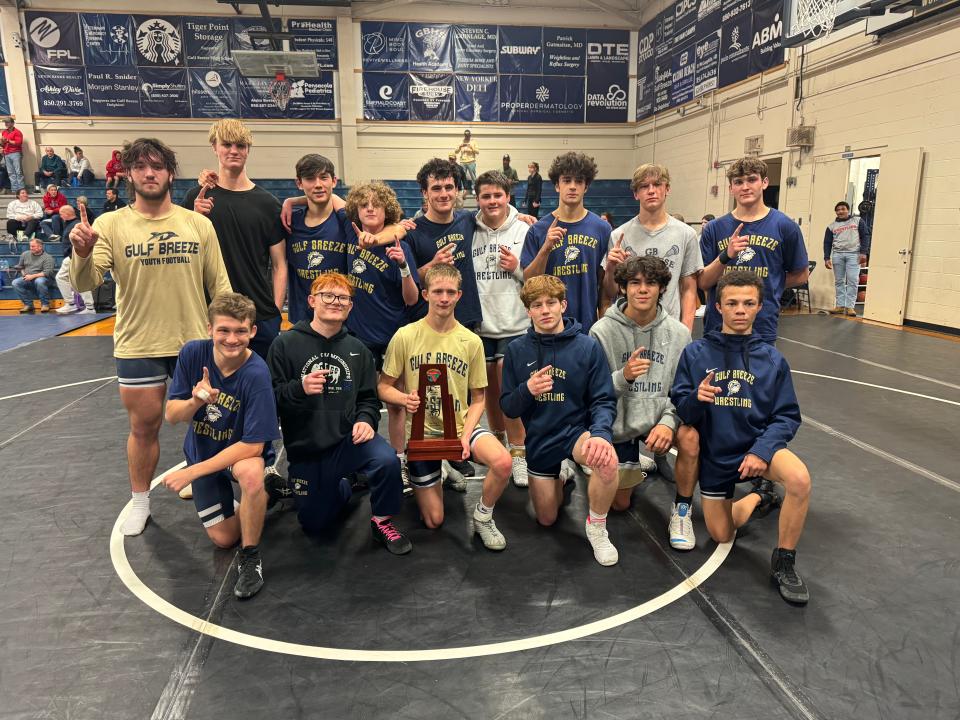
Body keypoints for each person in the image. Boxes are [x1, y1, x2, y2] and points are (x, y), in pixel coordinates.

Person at [69, 138, 232, 537]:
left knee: (211, 422)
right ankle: (140, 500)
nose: (149, 173)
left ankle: (211, 484)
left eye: (157, 166)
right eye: (140, 167)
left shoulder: (198, 224)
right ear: (128, 174)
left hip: (193, 342)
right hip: (138, 344)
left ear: (170, 173)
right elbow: (85, 281)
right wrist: (82, 253)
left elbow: (221, 286)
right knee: (144, 427)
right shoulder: (109, 225)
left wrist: (228, 334)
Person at [670, 270, 811, 604]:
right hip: (717, 458)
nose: (740, 310)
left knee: (800, 480)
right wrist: (696, 399)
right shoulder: (695, 354)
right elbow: (683, 414)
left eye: (748, 303)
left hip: (757, 450)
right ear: (718, 307)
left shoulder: (772, 359)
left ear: (759, 307)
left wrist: (762, 452)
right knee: (720, 533)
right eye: (732, 303)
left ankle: (785, 562)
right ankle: (761, 498)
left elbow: (787, 416)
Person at [267, 272, 412, 554]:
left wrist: (365, 420)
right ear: (311, 300)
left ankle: (381, 521)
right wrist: (300, 388)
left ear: (350, 306)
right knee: (314, 524)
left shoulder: (358, 350)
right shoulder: (284, 345)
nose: (335, 302)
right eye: (327, 296)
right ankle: (344, 484)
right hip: (307, 450)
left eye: (343, 298)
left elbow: (369, 400)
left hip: (348, 442)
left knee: (387, 461)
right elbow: (271, 400)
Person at [378, 265, 513, 550]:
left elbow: (478, 399)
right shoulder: (405, 335)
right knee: (434, 520)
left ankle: (483, 517)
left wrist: (465, 437)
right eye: (438, 291)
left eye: (450, 292)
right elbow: (383, 386)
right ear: (425, 294)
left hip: (461, 426)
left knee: (503, 462)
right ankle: (441, 467)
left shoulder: (471, 341)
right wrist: (404, 399)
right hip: (422, 434)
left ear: (459, 295)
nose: (444, 298)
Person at [163, 293, 280, 599]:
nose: (232, 339)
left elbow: (253, 446)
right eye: (224, 330)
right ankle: (259, 500)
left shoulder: (256, 373)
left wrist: (193, 473)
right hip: (205, 451)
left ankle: (251, 557)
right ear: (209, 329)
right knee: (224, 539)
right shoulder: (192, 354)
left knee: (252, 474)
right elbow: (172, 416)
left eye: (241, 331)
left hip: (238, 454)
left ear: (252, 332)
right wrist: (194, 401)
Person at [501, 275, 620, 566]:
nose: (545, 310)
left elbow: (603, 399)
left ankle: (597, 527)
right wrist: (526, 390)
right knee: (546, 518)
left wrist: (601, 434)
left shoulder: (587, 347)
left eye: (551, 303)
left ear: (562, 305)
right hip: (540, 438)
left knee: (606, 460)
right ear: (528, 311)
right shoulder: (517, 351)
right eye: (537, 305)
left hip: (576, 432)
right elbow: (508, 406)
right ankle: (563, 472)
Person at [590, 256, 698, 550]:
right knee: (620, 504)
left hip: (660, 414)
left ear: (662, 288)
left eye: (651, 283)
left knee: (690, 437)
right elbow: (595, 395)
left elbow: (683, 391)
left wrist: (668, 422)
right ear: (623, 287)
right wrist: (623, 377)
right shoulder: (602, 331)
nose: (642, 290)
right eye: (634, 283)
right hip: (621, 420)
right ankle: (634, 456)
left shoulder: (679, 334)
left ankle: (682, 510)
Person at [184, 120, 286, 361]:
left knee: (263, 389)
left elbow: (280, 265)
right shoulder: (197, 199)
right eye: (226, 144)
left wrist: (275, 312)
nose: (233, 151)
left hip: (259, 316)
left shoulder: (268, 204)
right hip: (210, 316)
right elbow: (184, 256)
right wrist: (193, 219)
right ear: (214, 147)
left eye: (240, 145)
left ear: (248, 149)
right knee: (214, 393)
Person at [342, 181, 419, 477]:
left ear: (387, 210)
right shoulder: (351, 234)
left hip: (391, 336)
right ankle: (361, 458)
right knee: (359, 402)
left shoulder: (400, 244)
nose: (370, 209)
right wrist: (289, 202)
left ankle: (398, 459)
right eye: (364, 205)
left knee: (396, 403)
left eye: (376, 204)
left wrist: (403, 267)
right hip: (358, 337)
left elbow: (411, 298)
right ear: (356, 211)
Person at [699, 157, 809, 344]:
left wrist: (769, 285)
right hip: (719, 325)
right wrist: (726, 255)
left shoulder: (785, 226)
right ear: (731, 188)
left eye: (752, 179)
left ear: (764, 182)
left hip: (762, 326)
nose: (745, 187)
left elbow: (802, 275)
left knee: (759, 374)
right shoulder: (714, 228)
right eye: (738, 182)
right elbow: (702, 281)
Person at [471, 171, 530, 487]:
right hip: (481, 325)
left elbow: (535, 276)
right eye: (486, 196)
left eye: (498, 195)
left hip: (514, 322)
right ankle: (499, 449)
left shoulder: (524, 229)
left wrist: (516, 268)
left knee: (511, 394)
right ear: (477, 198)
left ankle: (519, 453)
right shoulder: (469, 229)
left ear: (508, 196)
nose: (492, 201)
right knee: (489, 392)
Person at [603, 164, 702, 332]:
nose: (651, 191)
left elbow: (689, 289)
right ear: (636, 194)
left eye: (657, 184)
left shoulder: (686, 234)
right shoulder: (619, 235)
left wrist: (685, 331)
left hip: (670, 329)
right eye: (644, 186)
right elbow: (611, 292)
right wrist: (611, 269)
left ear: (667, 189)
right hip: (630, 328)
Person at [521, 152, 610, 333]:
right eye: (566, 180)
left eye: (579, 181)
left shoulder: (602, 229)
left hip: (588, 328)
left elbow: (605, 288)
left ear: (586, 187)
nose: (572, 187)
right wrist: (546, 248)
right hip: (547, 328)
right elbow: (528, 281)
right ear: (556, 185)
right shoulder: (538, 230)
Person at [824, 201, 871, 317]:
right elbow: (827, 243)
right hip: (837, 255)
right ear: (836, 212)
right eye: (838, 210)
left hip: (854, 255)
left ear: (848, 210)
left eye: (843, 209)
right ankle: (840, 305)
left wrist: (864, 253)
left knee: (853, 280)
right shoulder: (831, 226)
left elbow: (865, 236)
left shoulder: (857, 221)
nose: (840, 211)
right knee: (839, 281)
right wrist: (826, 257)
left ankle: (850, 307)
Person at [54, 206, 94, 315]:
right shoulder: (70, 224)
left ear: (66, 214)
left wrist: (76, 255)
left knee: (62, 277)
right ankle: (89, 307)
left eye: (61, 214)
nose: (60, 216)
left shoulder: (75, 225)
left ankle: (72, 304)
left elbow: (82, 241)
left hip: (74, 256)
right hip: (74, 256)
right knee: (79, 279)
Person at [12, 238, 55, 313]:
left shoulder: (48, 257)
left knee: (39, 281)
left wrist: (32, 276)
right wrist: (23, 273)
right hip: (28, 277)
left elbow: (48, 272)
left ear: (40, 247)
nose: (31, 248)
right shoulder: (25, 254)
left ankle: (45, 304)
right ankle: (28, 305)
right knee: (15, 283)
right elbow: (20, 266)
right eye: (30, 246)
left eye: (33, 246)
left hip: (44, 278)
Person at [1, 117, 24, 193]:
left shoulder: (17, 132)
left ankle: (21, 190)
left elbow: (18, 143)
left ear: (12, 123)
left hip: (15, 153)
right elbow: (3, 144)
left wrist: (7, 140)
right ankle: (14, 190)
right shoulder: (4, 132)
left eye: (7, 122)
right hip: (6, 153)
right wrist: (2, 143)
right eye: (5, 122)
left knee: (18, 172)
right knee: (10, 173)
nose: (6, 124)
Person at [454, 129, 479, 195]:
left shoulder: (473, 142)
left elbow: (477, 152)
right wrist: (460, 146)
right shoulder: (461, 142)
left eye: (468, 135)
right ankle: (462, 189)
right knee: (461, 175)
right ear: (464, 135)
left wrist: (471, 147)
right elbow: (456, 151)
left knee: (473, 176)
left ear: (470, 135)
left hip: (471, 161)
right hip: (463, 161)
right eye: (465, 135)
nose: (467, 136)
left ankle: (474, 189)